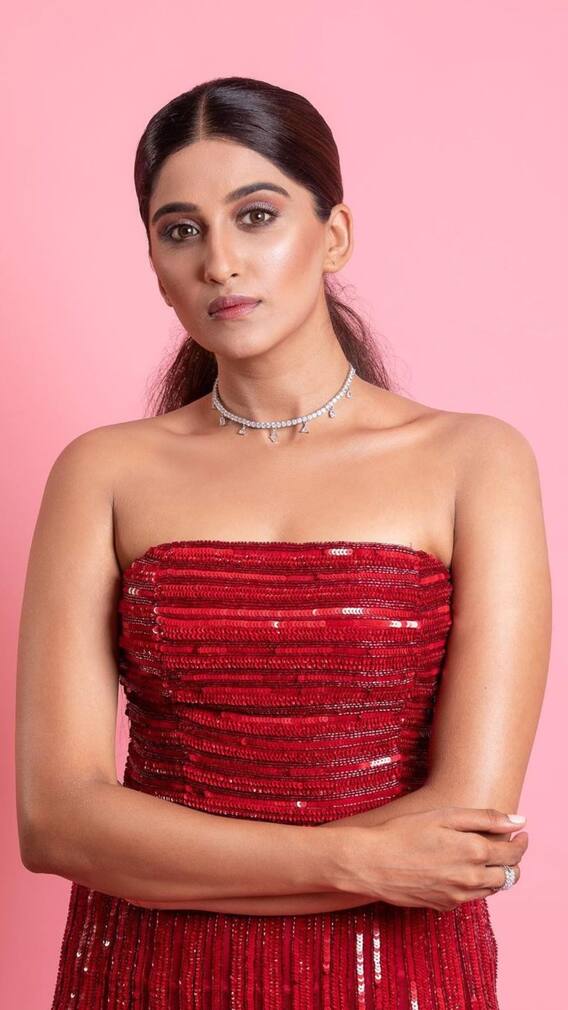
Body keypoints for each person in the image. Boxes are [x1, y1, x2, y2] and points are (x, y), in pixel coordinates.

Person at [16, 76, 551, 1010]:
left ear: (333, 235)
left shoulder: (476, 460)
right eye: (181, 230)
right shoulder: (100, 474)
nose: (220, 262)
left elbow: (461, 835)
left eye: (255, 216)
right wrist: (357, 860)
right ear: (155, 265)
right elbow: (57, 823)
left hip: (397, 978)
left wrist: (165, 859)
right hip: (144, 978)